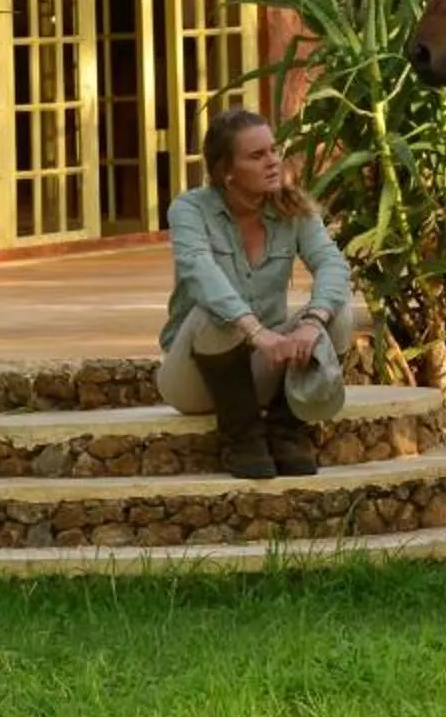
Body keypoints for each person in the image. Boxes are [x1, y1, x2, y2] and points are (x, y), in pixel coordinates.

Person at [156, 108, 365, 480]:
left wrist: (312, 321)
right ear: (226, 171)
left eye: (273, 150)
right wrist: (256, 331)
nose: (272, 162)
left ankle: (286, 433)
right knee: (214, 313)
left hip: (262, 365)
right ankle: (242, 440)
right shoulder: (189, 209)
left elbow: (332, 264)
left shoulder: (294, 208)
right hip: (195, 377)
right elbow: (200, 272)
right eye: (256, 155)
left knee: (338, 313)